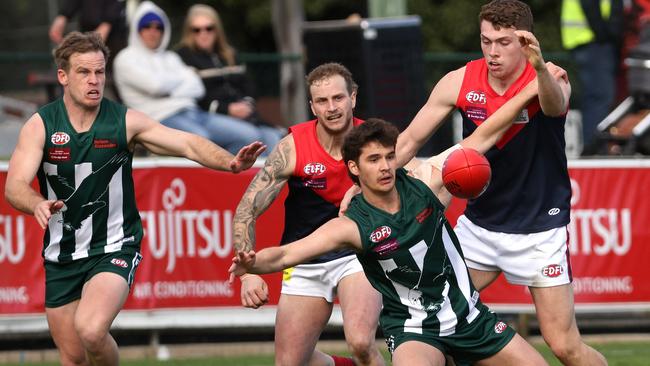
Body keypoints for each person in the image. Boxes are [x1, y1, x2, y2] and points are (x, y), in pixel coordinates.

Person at [3, 31, 265, 366]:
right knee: (73, 357)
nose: (94, 80)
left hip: (115, 247)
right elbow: (15, 186)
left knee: (92, 329)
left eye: (100, 72)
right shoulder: (40, 126)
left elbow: (185, 143)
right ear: (63, 76)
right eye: (84, 72)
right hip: (62, 255)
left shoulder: (124, 121)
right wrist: (36, 202)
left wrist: (227, 162)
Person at [229, 110, 550, 366]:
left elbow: (483, 136)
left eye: (388, 156)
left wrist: (528, 88)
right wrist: (252, 263)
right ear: (353, 167)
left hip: (469, 317)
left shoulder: (426, 182)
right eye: (373, 160)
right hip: (415, 328)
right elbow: (286, 255)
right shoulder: (352, 225)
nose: (384, 167)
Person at [390, 1, 606, 365]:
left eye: (503, 42)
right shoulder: (460, 80)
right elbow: (409, 141)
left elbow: (555, 105)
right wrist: (363, 180)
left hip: (540, 229)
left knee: (565, 346)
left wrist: (539, 68)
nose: (492, 51)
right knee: (439, 319)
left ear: (525, 41)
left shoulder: (551, 77)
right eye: (485, 40)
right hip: (480, 227)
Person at [232, 62, 385, 366]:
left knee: (360, 341)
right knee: (290, 363)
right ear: (312, 107)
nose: (332, 108)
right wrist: (249, 273)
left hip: (357, 254)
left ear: (353, 97)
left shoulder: (374, 142)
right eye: (323, 101)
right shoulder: (293, 147)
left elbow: (409, 188)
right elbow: (246, 209)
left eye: (338, 98)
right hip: (305, 259)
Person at [113, 1, 279, 155]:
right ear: (137, 28)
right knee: (203, 140)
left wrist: (168, 89)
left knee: (250, 136)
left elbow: (196, 87)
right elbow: (155, 86)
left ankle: (228, 180)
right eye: (147, 26)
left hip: (194, 113)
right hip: (160, 119)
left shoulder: (170, 57)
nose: (153, 31)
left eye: (158, 27)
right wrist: (178, 83)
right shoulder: (126, 58)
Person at [176, 4, 285, 146]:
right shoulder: (183, 57)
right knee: (252, 137)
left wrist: (247, 104)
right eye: (197, 30)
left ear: (217, 30)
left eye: (209, 28)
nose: (204, 33)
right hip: (211, 115)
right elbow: (191, 97)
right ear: (189, 32)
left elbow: (249, 86)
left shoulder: (230, 54)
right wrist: (227, 109)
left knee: (277, 139)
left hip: (248, 115)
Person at [561, 0, 624, 155]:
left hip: (587, 40)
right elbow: (590, 5)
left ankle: (593, 146)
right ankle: (595, 148)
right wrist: (606, 36)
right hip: (593, 41)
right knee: (600, 97)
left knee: (595, 97)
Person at [48, 0, 128, 72]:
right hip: (87, 30)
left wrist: (108, 23)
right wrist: (64, 15)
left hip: (115, 35)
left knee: (113, 71)